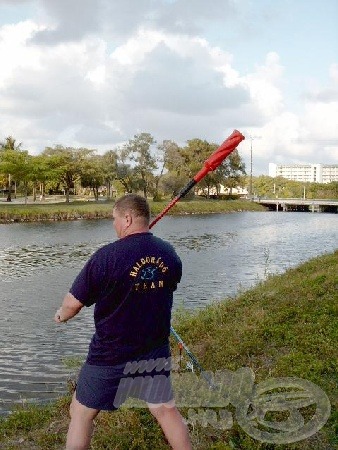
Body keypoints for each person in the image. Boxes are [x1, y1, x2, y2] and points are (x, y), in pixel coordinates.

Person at [54, 194, 192, 450]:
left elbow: (73, 303)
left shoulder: (105, 257)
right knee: (164, 409)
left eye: (115, 219)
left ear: (127, 218)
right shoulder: (168, 253)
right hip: (154, 350)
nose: (114, 225)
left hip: (110, 354)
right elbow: (167, 285)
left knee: (81, 412)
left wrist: (61, 314)